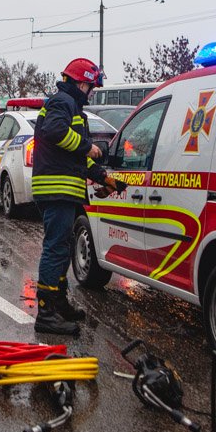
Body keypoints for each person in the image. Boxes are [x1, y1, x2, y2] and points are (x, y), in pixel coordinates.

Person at [31, 58, 126, 335]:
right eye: (91, 87)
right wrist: (89, 146)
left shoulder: (69, 106)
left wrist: (103, 177)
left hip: (64, 189)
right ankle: (47, 313)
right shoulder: (63, 102)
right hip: (56, 189)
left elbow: (72, 157)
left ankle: (58, 304)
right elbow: (55, 131)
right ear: (82, 83)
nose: (91, 92)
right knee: (55, 249)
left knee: (62, 249)